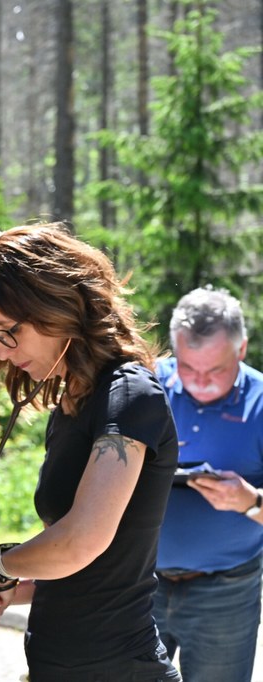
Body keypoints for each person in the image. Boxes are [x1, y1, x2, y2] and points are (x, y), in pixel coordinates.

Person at [0, 223, 181, 681]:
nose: (2, 352)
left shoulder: (129, 393)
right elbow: (77, 581)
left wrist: (1, 563)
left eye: (8, 331)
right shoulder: (72, 407)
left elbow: (81, 543)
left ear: (56, 302)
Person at [153, 286, 263, 682]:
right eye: (187, 368)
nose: (199, 383)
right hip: (137, 583)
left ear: (242, 349)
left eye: (215, 371)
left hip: (227, 592)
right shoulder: (147, 386)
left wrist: (250, 501)